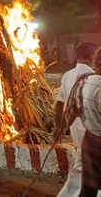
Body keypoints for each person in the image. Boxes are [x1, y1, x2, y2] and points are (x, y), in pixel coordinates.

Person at [53, 42, 101, 197]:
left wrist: (60, 127)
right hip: (95, 135)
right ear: (91, 57)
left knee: (86, 178)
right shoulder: (94, 83)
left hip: (86, 134)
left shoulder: (78, 80)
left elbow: (65, 106)